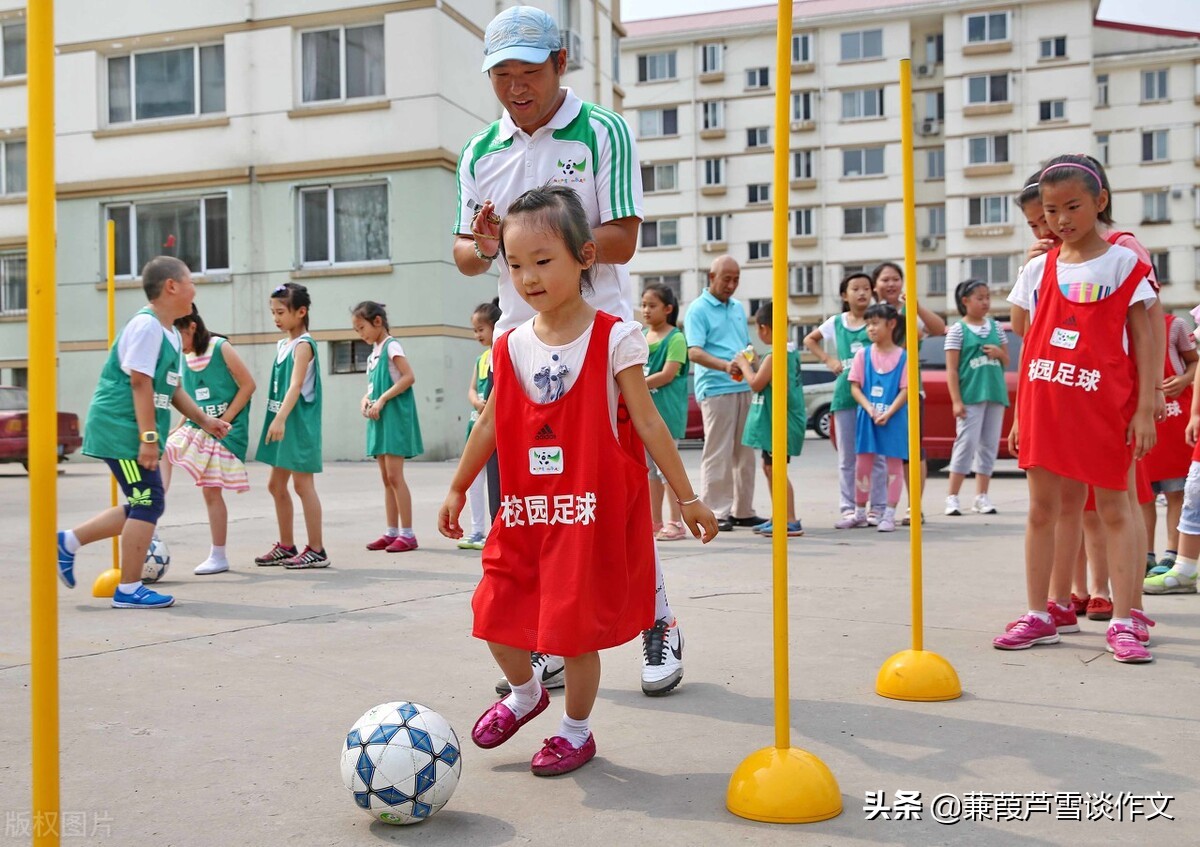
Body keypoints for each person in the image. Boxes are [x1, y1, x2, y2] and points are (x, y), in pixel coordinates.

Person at [437, 186, 716, 777]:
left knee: (572, 634)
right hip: (524, 516)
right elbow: (488, 423)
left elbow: (646, 421)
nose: (528, 277)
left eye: (543, 261)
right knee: (493, 614)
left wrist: (687, 498)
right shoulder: (511, 344)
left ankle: (575, 730)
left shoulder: (616, 337)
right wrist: (459, 487)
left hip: (584, 519)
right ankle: (526, 693)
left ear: (585, 257)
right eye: (514, 265)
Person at [456, 5, 685, 698]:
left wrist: (547, 235)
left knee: (606, 496)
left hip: (594, 339)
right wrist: (494, 245)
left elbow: (621, 239)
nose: (516, 88)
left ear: (561, 64)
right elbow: (466, 256)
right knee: (532, 499)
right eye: (502, 75)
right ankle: (548, 639)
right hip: (518, 345)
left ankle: (659, 620)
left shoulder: (600, 131)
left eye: (529, 72)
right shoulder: (480, 152)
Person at [996, 155, 1158, 663]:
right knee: (1043, 510)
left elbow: (1146, 338)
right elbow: (1025, 335)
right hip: (1047, 404)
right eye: (1051, 210)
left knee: (1114, 507)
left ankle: (1126, 619)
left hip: (1106, 407)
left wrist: (1147, 407)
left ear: (1099, 202)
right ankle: (1041, 612)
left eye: (1073, 206)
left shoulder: (1124, 263)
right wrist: (1022, 414)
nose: (1062, 219)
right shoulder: (1039, 267)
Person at [55, 256, 231, 608]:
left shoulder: (167, 331)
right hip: (121, 431)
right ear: (171, 286)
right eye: (190, 281)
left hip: (129, 432)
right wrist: (148, 440)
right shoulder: (147, 326)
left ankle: (69, 542)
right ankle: (129, 588)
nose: (195, 288)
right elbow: (139, 382)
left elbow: (172, 388)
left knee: (144, 501)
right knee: (149, 500)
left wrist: (204, 420)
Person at [162, 305, 256, 575]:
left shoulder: (219, 347)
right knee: (164, 449)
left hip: (228, 428)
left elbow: (248, 385)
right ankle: (156, 502)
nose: (178, 345)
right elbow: (189, 402)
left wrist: (224, 419)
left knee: (210, 488)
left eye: (179, 335)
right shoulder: (184, 358)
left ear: (192, 327)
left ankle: (218, 555)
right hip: (201, 425)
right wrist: (176, 429)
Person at [255, 282, 328, 569]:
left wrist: (280, 418)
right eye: (273, 312)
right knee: (276, 485)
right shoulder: (283, 344)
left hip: (297, 424)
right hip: (283, 421)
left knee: (303, 484)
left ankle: (317, 549)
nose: (276, 317)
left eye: (281, 312)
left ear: (301, 311)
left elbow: (296, 385)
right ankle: (286, 545)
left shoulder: (303, 346)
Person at [804, 273, 887, 527]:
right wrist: (828, 360)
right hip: (844, 396)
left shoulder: (879, 320)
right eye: (855, 288)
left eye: (866, 288)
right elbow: (809, 339)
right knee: (847, 458)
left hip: (875, 396)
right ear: (844, 295)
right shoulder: (837, 322)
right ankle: (849, 509)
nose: (861, 293)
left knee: (877, 456)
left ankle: (878, 508)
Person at [684, 255, 758, 533]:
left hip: (744, 384)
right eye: (726, 279)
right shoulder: (698, 309)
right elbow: (694, 351)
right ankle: (717, 510)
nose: (731, 285)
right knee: (718, 452)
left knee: (745, 452)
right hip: (716, 387)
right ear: (711, 278)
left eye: (736, 279)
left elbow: (744, 343)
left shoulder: (738, 307)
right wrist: (726, 365)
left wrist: (750, 361)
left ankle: (742, 510)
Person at [871, 261, 945, 524]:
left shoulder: (908, 312)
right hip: (876, 391)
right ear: (875, 285)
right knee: (876, 454)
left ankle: (914, 507)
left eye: (895, 279)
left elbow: (938, 329)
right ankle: (876, 507)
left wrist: (914, 305)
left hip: (908, 388)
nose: (891, 284)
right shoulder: (871, 316)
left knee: (912, 450)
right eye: (885, 280)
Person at [353, 301, 423, 553]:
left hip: (393, 417)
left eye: (362, 328)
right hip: (379, 419)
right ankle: (392, 531)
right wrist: (366, 400)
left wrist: (382, 400)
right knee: (386, 478)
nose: (361, 334)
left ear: (378, 322)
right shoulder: (374, 353)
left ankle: (408, 533)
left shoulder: (392, 345)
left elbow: (408, 377)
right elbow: (372, 387)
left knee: (395, 476)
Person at [735, 301, 804, 537]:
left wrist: (744, 365)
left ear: (764, 328)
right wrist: (754, 363)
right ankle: (780, 515)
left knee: (776, 470)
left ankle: (790, 519)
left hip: (779, 423)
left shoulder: (776, 355)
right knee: (769, 467)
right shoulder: (787, 353)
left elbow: (755, 383)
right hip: (777, 422)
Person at [943, 279, 1009, 517]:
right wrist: (956, 400)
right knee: (966, 444)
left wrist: (999, 353)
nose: (985, 302)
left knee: (989, 446)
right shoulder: (957, 330)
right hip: (970, 396)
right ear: (965, 301)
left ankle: (981, 496)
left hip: (994, 393)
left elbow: (1007, 360)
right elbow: (951, 369)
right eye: (979, 298)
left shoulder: (996, 327)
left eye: (987, 297)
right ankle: (952, 497)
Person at [1141, 312, 1197, 575]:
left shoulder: (1175, 325)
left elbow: (1194, 362)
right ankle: (1145, 555)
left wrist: (1184, 379)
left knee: (1177, 492)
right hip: (1143, 418)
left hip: (1174, 419)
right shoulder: (1122, 322)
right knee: (1144, 496)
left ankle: (1172, 556)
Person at [847, 304, 909, 533]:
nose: (870, 329)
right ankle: (859, 512)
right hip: (868, 417)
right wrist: (870, 410)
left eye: (875, 323)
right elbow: (855, 387)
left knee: (894, 465)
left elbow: (906, 389)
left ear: (891, 324)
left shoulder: (904, 356)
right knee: (863, 464)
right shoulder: (863, 355)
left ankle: (889, 514)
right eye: (868, 324)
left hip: (894, 418)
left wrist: (889, 412)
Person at [641, 282, 689, 541]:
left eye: (652, 305)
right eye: (644, 304)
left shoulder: (677, 338)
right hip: (645, 416)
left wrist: (634, 386)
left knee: (666, 470)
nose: (646, 310)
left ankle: (676, 522)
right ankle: (655, 521)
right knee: (649, 471)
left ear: (668, 309)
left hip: (667, 416)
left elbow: (668, 374)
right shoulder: (640, 336)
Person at [460, 300, 501, 551]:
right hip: (476, 426)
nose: (477, 335)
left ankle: (495, 530)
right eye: (474, 330)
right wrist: (476, 401)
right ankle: (476, 531)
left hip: (492, 430)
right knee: (474, 482)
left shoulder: (502, 353)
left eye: (481, 329)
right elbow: (472, 389)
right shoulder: (482, 359)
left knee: (496, 484)